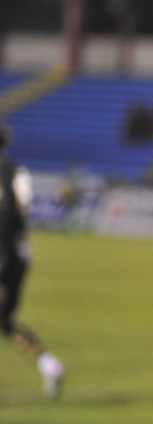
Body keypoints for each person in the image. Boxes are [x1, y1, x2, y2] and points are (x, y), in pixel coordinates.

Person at [0, 124, 65, 399]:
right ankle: (50, 365)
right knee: (5, 321)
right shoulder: (17, 171)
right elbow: (24, 206)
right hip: (19, 254)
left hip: (5, 253)